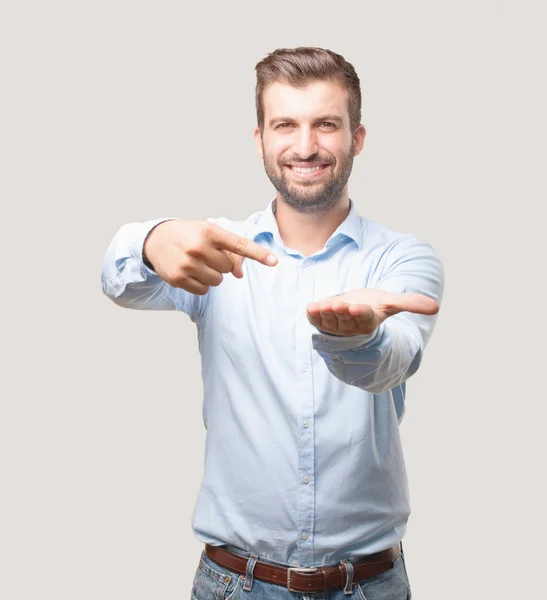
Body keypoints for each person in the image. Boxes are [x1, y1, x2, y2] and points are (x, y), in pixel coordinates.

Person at [101, 47, 444, 600]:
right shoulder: (212, 249)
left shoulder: (404, 261)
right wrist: (150, 238)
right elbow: (122, 283)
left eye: (326, 125)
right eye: (286, 124)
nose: (305, 146)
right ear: (260, 139)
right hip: (233, 584)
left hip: (370, 586)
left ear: (357, 138)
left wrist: (355, 337)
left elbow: (393, 361)